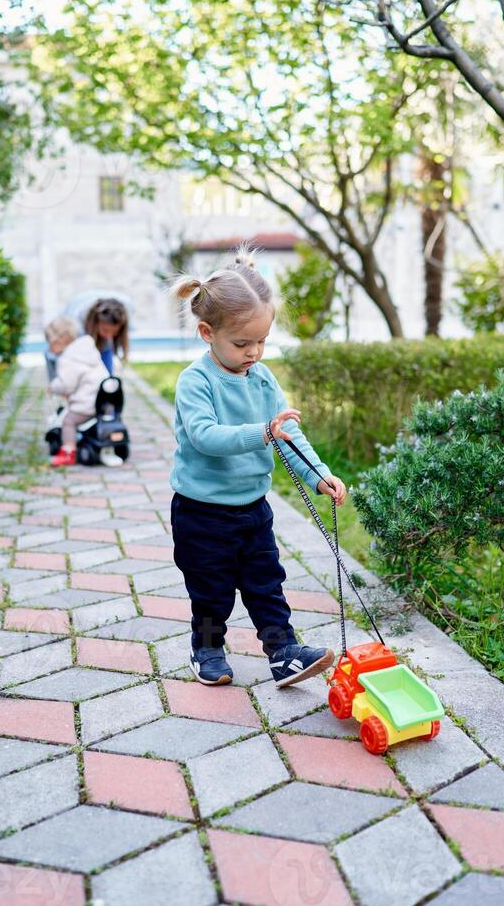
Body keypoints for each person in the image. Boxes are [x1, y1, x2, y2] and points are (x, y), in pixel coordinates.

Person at [169, 248, 347, 688]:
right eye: (242, 343)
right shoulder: (197, 381)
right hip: (201, 512)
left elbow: (290, 434)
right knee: (210, 593)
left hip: (253, 509)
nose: (254, 352)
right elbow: (204, 437)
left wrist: (318, 473)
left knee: (267, 584)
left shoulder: (263, 378)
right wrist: (262, 433)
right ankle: (207, 648)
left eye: (262, 341)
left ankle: (283, 651)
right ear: (207, 332)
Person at [45, 316, 109, 466]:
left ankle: (68, 453)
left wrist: (53, 387)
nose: (49, 348)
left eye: (50, 343)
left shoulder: (67, 358)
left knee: (68, 421)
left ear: (60, 340)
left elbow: (66, 385)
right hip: (103, 401)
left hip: (87, 403)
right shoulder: (87, 349)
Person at [45, 295, 130, 379]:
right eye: (105, 330)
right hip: (74, 337)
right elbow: (54, 355)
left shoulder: (107, 338)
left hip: (97, 342)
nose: (109, 336)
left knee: (106, 377)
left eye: (114, 332)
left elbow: (106, 367)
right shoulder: (75, 328)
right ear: (96, 323)